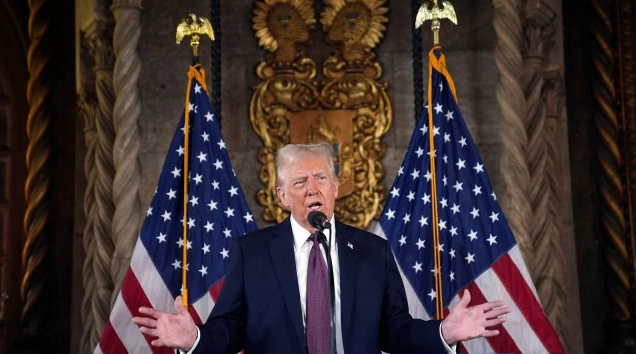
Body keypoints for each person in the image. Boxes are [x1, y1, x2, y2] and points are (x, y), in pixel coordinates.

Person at [132, 142, 510, 354]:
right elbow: (230, 328)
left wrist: (443, 332)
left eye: (321, 178)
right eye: (299, 182)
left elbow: (394, 331)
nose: (312, 188)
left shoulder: (372, 251)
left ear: (334, 187)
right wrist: (194, 338)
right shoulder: (253, 252)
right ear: (281, 195)